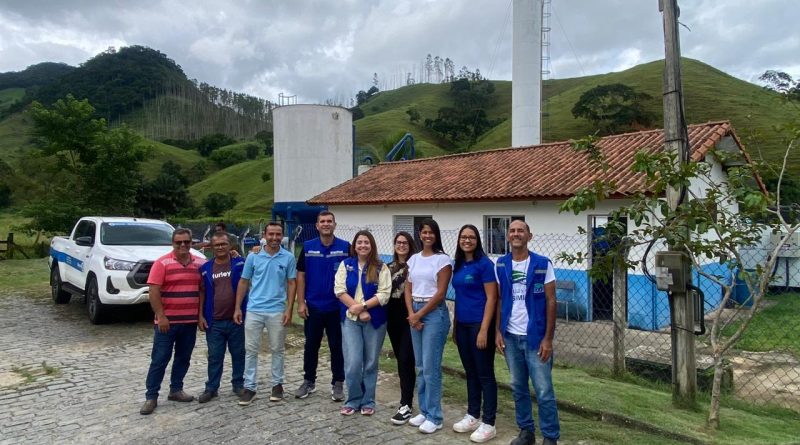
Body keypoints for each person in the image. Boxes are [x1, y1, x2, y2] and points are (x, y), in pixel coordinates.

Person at [495, 220, 560, 445]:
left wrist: (548, 339)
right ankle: (526, 432)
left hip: (536, 338)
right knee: (518, 387)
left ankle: (550, 437)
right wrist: (498, 332)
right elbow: (500, 300)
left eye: (520, 231)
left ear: (529, 236)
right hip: (510, 337)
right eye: (512, 231)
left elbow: (552, 301)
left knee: (543, 390)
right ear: (508, 236)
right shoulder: (501, 265)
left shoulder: (542, 264)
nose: (516, 234)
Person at [140, 228, 206, 415]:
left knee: (183, 358)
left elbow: (202, 290)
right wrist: (161, 316)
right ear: (173, 243)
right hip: (166, 323)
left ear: (191, 243)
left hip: (189, 322)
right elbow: (153, 291)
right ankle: (151, 396)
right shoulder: (162, 263)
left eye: (187, 242)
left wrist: (200, 316)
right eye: (179, 242)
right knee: (160, 359)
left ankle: (176, 390)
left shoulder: (199, 264)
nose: (183, 245)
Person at [234, 222, 297, 406]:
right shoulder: (253, 257)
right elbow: (244, 282)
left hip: (277, 310)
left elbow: (292, 283)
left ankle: (277, 385)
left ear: (282, 236)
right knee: (251, 350)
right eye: (271, 234)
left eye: (278, 234)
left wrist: (289, 308)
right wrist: (238, 307)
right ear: (264, 235)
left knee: (277, 349)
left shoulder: (288, 258)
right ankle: (250, 387)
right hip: (254, 310)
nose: (274, 238)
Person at [293, 211, 350, 401]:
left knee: (336, 347)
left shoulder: (345, 247)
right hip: (313, 307)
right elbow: (300, 275)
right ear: (317, 225)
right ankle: (309, 381)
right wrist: (301, 303)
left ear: (335, 224)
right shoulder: (308, 247)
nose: (326, 224)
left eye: (329, 221)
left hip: (337, 308)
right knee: (311, 346)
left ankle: (338, 383)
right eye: (322, 222)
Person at [335, 230, 391, 416]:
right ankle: (353, 400)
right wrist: (357, 310)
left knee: (370, 363)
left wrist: (364, 307)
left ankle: (368, 401)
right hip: (350, 320)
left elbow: (384, 294)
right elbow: (339, 290)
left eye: (366, 242)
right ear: (354, 245)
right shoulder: (346, 264)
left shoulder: (381, 267)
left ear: (372, 245)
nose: (363, 245)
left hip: (375, 322)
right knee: (352, 363)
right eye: (359, 242)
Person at [452, 224, 499, 443]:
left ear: (477, 240)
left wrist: (484, 330)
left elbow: (492, 298)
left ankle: (489, 423)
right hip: (462, 325)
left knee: (485, 374)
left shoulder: (484, 264)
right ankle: (473, 415)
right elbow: (459, 296)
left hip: (479, 326)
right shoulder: (459, 264)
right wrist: (455, 324)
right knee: (470, 372)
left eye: (471, 237)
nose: (467, 240)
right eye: (463, 237)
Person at [405, 218, 452, 434]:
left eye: (431, 232)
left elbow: (441, 293)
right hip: (415, 310)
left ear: (436, 235)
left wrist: (420, 315)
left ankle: (435, 416)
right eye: (424, 232)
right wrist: (411, 314)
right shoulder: (413, 259)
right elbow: (408, 288)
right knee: (421, 366)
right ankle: (424, 410)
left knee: (431, 367)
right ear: (419, 234)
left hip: (434, 313)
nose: (427, 236)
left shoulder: (442, 260)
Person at [197, 231, 246, 403]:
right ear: (211, 247)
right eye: (216, 245)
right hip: (214, 321)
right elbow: (202, 292)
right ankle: (211, 388)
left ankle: (238, 384)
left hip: (236, 319)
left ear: (230, 245)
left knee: (238, 353)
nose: (220, 247)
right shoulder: (205, 268)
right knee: (215, 356)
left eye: (223, 244)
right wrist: (200, 315)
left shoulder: (240, 263)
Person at [386, 231, 418, 425]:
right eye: (398, 242)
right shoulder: (387, 267)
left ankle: (405, 403)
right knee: (401, 359)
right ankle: (407, 398)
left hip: (409, 314)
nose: (401, 245)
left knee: (407, 357)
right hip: (391, 316)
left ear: (410, 245)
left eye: (405, 242)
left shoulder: (416, 265)